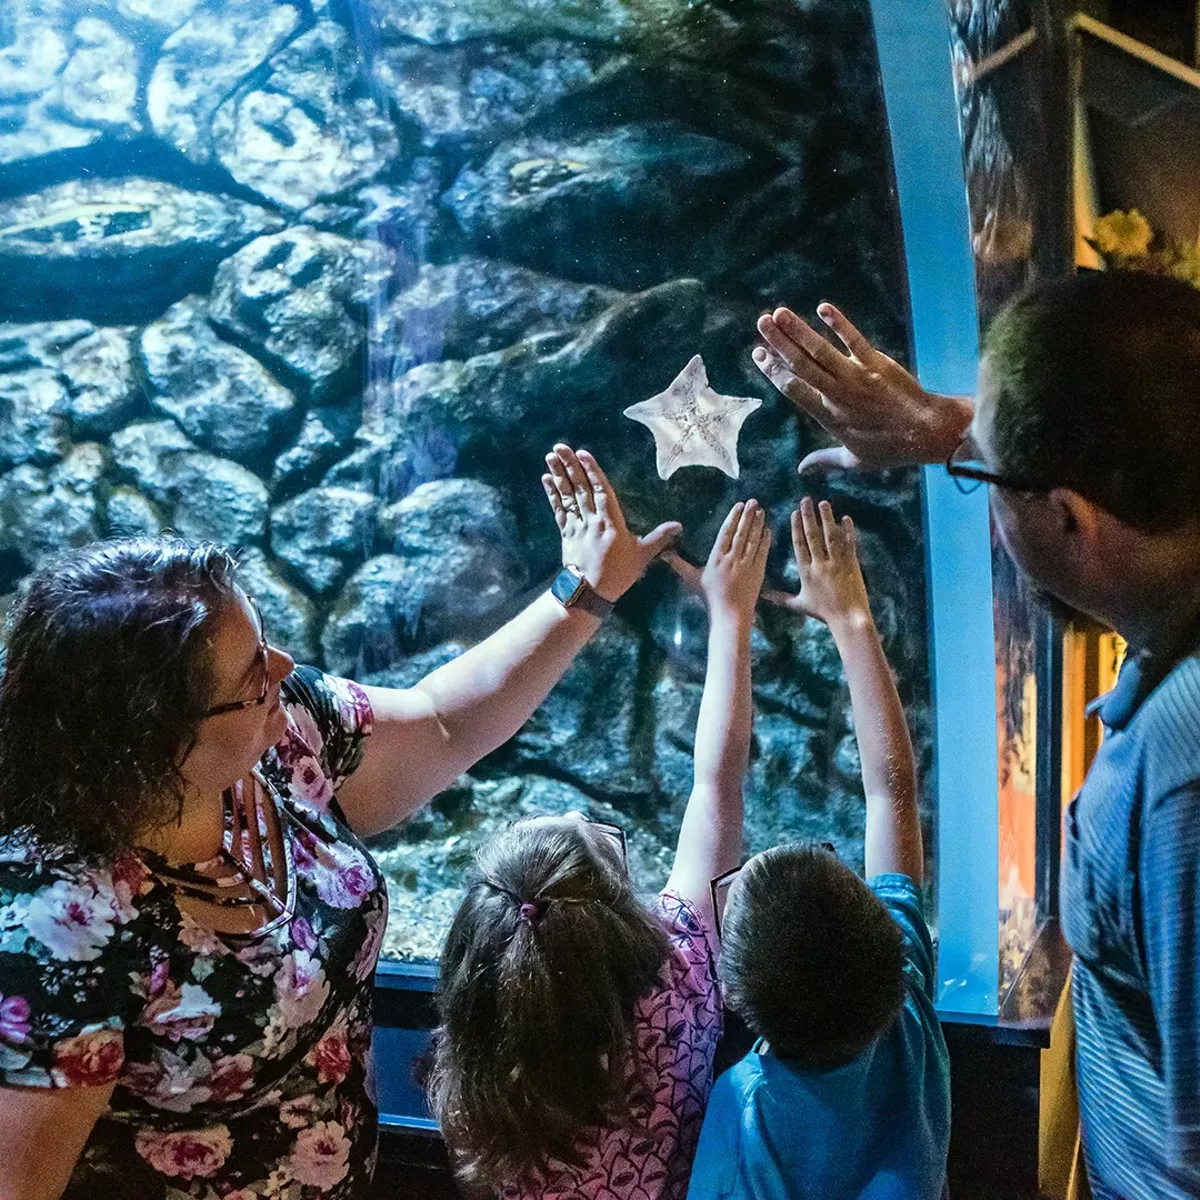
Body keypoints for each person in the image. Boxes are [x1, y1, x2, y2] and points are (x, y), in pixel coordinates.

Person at [0, 444, 680, 1200]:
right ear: (155, 735)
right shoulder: (58, 935)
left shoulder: (282, 735)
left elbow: (443, 724)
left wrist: (587, 589)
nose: (284, 668)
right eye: (252, 671)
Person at [753, 272, 1200, 1200]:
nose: (982, 499)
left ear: (1070, 517)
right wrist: (953, 431)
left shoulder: (1180, 787)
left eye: (985, 479)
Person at [427, 499, 771, 1200]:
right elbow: (717, 783)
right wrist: (731, 614)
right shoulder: (678, 985)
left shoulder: (475, 1079)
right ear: (617, 913)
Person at [686, 496, 949, 1200]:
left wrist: (727, 620)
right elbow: (892, 793)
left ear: (733, 997)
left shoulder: (742, 1115)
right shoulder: (911, 1026)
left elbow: (717, 793)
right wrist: (853, 618)